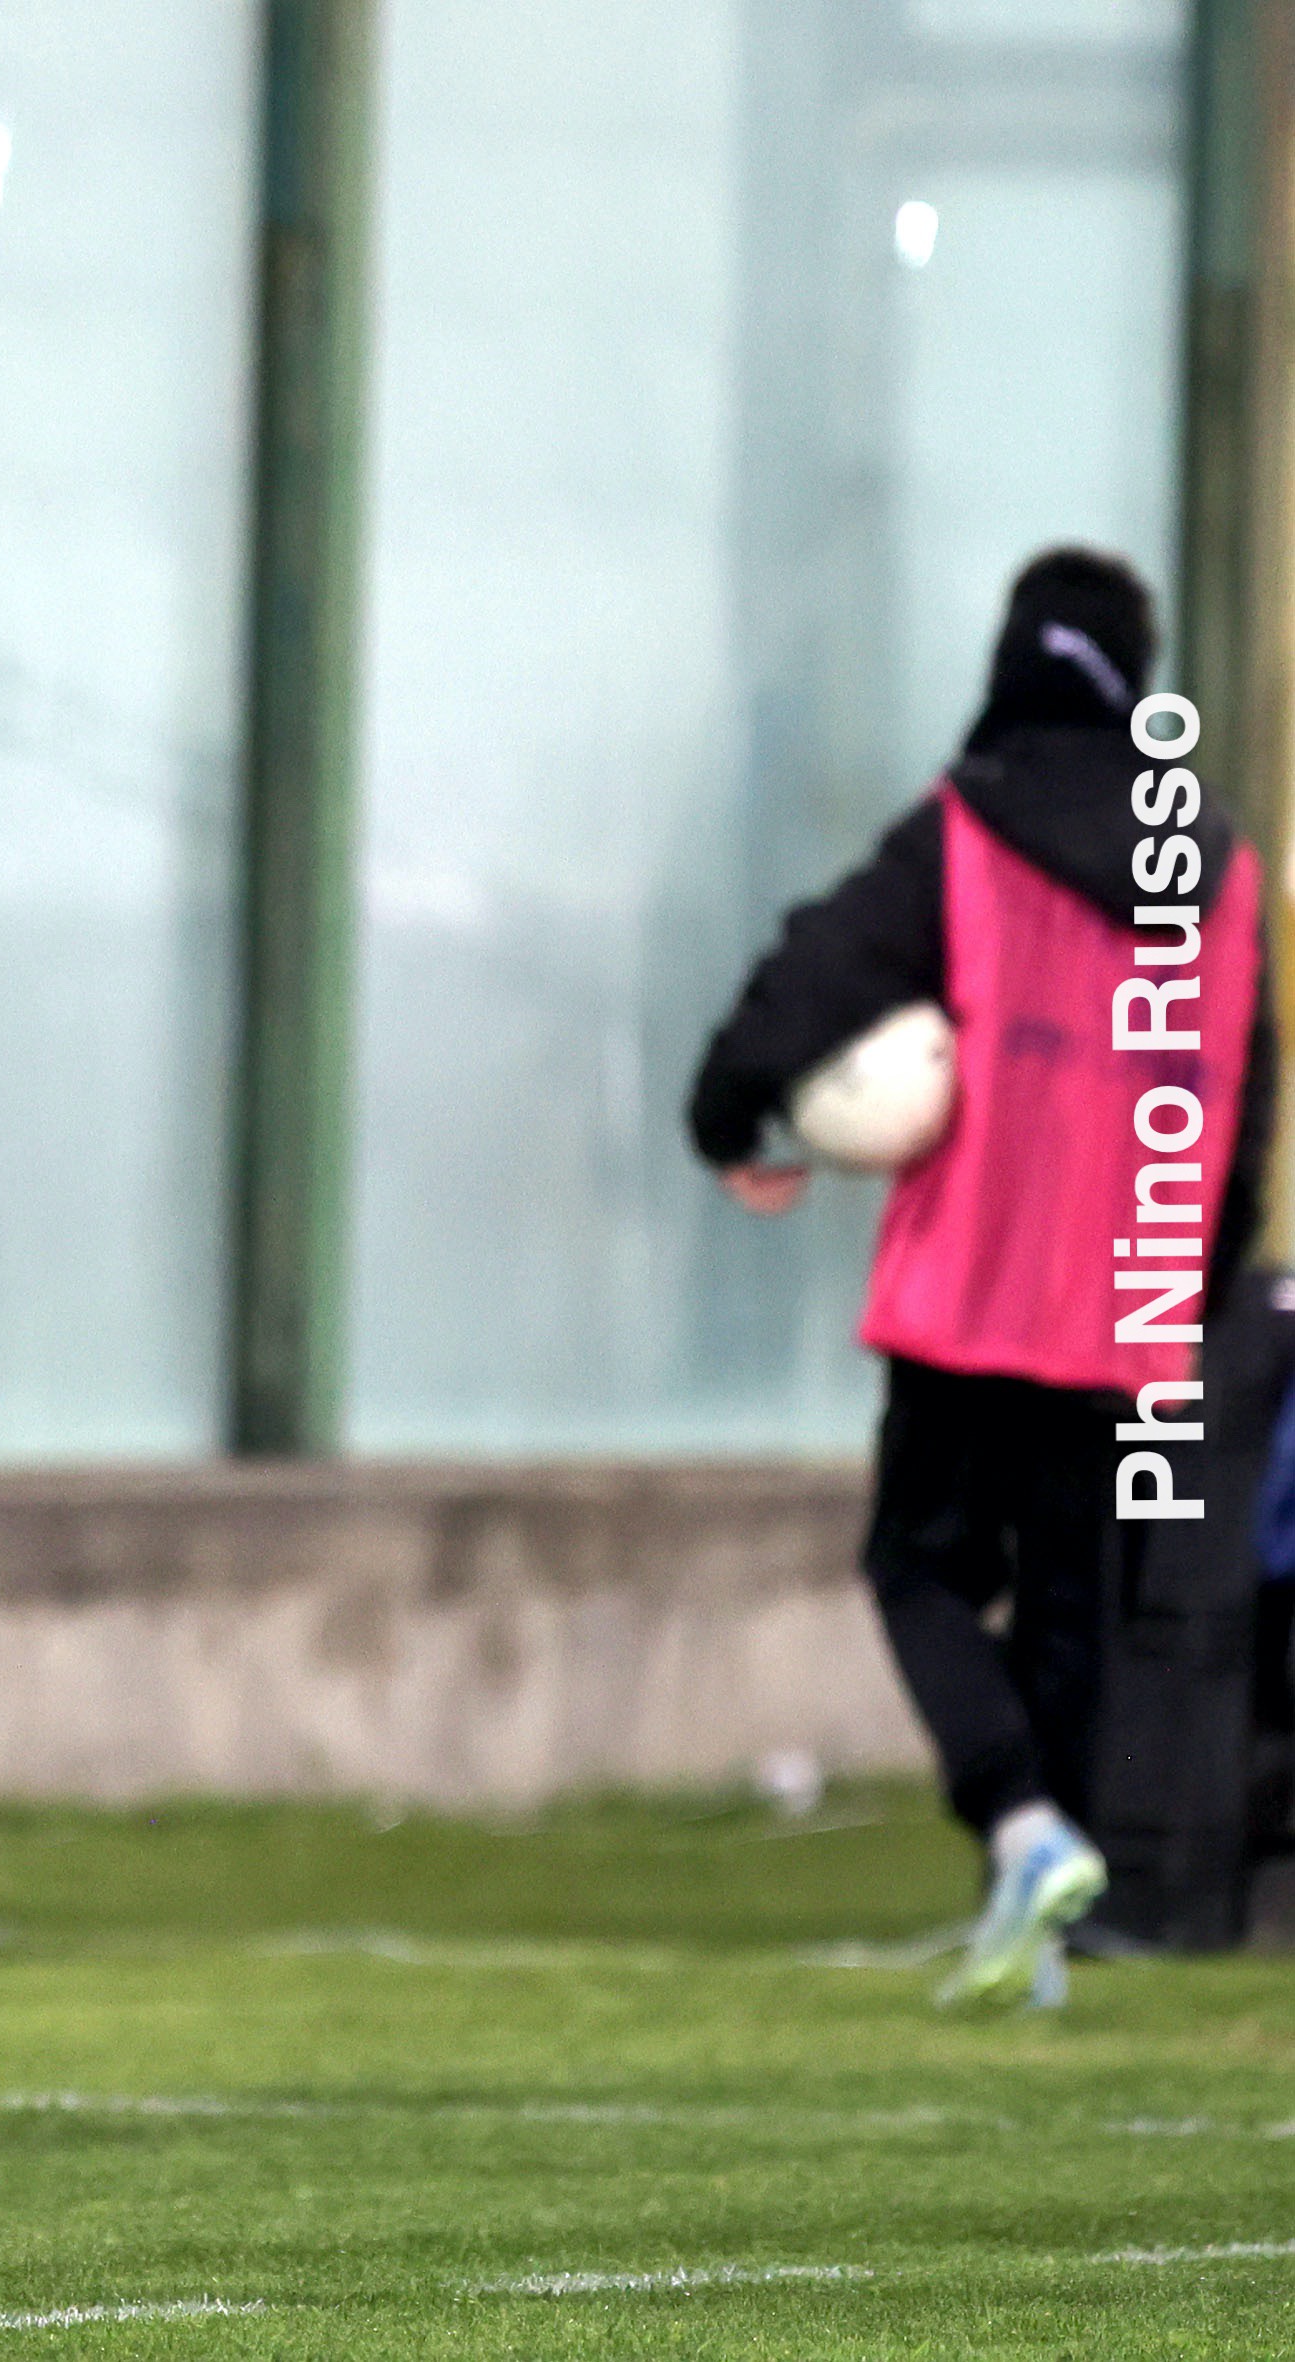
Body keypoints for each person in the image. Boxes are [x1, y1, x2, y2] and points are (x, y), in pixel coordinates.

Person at [691, 548, 1275, 2007]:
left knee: (920, 1567)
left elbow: (813, 973)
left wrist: (729, 1118)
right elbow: (1242, 1101)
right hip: (1127, 1310)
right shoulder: (1222, 872)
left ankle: (1019, 1826)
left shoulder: (965, 829)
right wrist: (1194, 1293)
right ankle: (1048, 1923)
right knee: (1074, 1613)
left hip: (974, 1283)